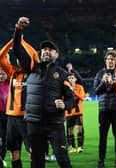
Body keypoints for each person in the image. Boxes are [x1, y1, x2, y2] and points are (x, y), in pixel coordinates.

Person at [13, 16, 74, 168]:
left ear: (56, 55)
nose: (46, 51)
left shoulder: (62, 74)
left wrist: (64, 105)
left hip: (55, 124)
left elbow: (71, 99)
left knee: (63, 160)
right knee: (37, 162)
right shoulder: (32, 67)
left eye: (50, 50)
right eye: (44, 49)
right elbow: (17, 49)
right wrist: (19, 29)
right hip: (34, 123)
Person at [0, 38, 39, 168]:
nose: (20, 60)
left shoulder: (34, 73)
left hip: (27, 119)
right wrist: (13, 41)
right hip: (11, 118)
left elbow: (34, 55)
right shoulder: (12, 72)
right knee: (14, 153)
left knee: (32, 152)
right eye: (18, 58)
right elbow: (1, 56)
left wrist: (22, 41)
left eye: (23, 58)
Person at [94, 50, 116, 168]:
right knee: (103, 137)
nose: (110, 61)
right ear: (105, 60)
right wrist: (103, 82)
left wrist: (114, 84)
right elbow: (96, 91)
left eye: (112, 59)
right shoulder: (100, 73)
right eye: (108, 59)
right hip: (104, 109)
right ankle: (101, 161)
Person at [65, 72, 85, 153]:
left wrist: (74, 91)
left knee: (79, 129)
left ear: (75, 79)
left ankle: (80, 147)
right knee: (70, 130)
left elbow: (82, 97)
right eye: (69, 78)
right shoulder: (65, 89)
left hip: (78, 112)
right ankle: (73, 147)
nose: (71, 79)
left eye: (72, 78)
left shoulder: (80, 87)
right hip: (69, 112)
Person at [0, 67, 9, 167]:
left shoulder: (10, 84)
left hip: (7, 115)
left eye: (3, 74)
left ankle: (2, 157)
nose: (1, 76)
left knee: (5, 139)